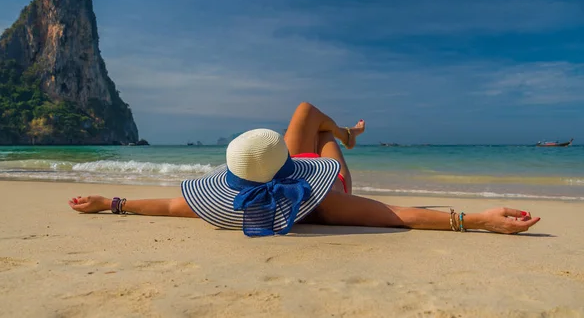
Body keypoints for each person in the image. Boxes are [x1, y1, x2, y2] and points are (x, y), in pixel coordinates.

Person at [68, 102, 540, 236]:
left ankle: (342, 135)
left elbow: (174, 205)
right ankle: (344, 138)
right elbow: (401, 214)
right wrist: (480, 219)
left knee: (306, 116)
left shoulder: (236, 205)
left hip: (278, 170)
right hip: (321, 176)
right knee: (320, 129)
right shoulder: (330, 205)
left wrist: (113, 203)